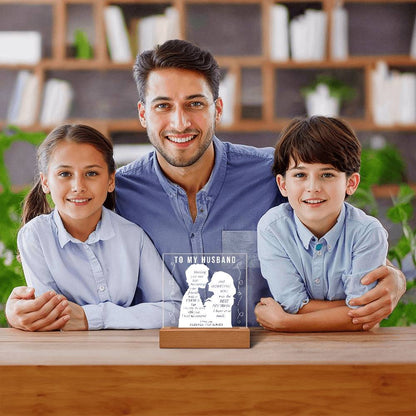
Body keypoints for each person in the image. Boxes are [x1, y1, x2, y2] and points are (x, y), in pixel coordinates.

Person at [6, 39, 406, 331]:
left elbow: (343, 232)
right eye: (163, 106)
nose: (180, 123)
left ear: (217, 108)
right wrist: (21, 307)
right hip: (157, 368)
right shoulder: (114, 192)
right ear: (144, 114)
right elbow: (66, 253)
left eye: (195, 104)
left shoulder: (276, 173)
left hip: (273, 360)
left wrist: (393, 277)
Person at [16, 124, 181, 330]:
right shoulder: (35, 236)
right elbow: (50, 318)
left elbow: (174, 309)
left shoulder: (132, 236)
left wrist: (90, 317)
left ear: (111, 180)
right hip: (61, 354)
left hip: (126, 351)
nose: (78, 186)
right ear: (45, 182)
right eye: (65, 174)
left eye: (92, 173)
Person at [255, 116, 389, 331]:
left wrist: (286, 322)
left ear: (351, 183)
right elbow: (292, 304)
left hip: (357, 350)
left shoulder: (368, 233)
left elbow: (366, 315)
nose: (313, 187)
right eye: (300, 174)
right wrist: (352, 311)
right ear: (283, 185)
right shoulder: (273, 228)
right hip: (290, 349)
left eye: (327, 175)